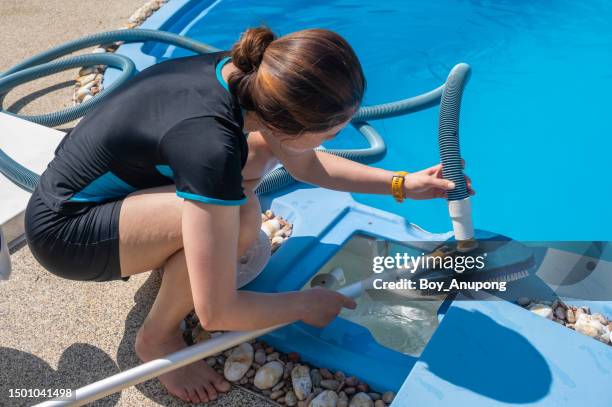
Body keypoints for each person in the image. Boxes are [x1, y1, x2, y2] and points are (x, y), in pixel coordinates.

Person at [24, 26, 473, 403]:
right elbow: (218, 311)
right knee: (240, 221)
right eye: (328, 131)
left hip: (119, 192)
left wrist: (402, 184)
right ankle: (156, 339)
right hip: (67, 232)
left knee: (245, 200)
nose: (330, 139)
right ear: (287, 124)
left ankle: (178, 255)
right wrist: (303, 305)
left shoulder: (258, 79)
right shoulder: (210, 147)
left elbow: (305, 160)